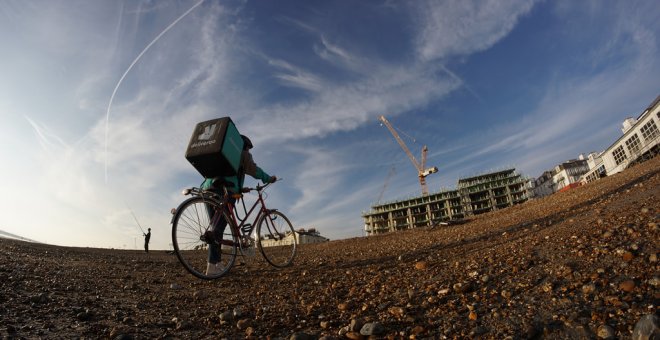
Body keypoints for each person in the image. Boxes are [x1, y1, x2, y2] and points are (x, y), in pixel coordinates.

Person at [202, 135, 276, 275]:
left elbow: (229, 173)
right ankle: (212, 266)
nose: (248, 150)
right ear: (245, 146)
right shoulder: (242, 153)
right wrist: (269, 178)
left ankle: (216, 264)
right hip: (224, 190)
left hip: (207, 189)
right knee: (217, 228)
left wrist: (240, 188)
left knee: (215, 228)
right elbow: (253, 169)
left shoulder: (224, 154)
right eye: (248, 148)